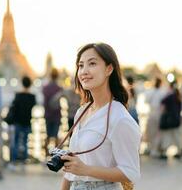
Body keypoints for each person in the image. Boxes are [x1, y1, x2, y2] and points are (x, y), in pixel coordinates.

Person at [60, 43, 141, 190]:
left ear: (109, 69)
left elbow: (131, 172)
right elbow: (72, 170)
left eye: (92, 63)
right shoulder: (82, 111)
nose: (84, 71)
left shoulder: (119, 118)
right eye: (81, 65)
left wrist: (86, 170)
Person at [8, 76, 36, 168]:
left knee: (15, 141)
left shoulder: (18, 96)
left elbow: (14, 108)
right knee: (25, 142)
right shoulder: (32, 97)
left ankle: (13, 161)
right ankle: (24, 161)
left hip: (18, 122)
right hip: (27, 122)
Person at [157, 81, 182, 159]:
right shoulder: (179, 96)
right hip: (177, 120)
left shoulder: (170, 96)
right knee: (177, 136)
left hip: (169, 120)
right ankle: (179, 151)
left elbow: (162, 102)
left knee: (167, 136)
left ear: (170, 87)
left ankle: (164, 152)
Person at [144, 78, 166, 156]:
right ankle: (155, 149)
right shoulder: (162, 92)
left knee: (151, 132)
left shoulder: (150, 91)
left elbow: (146, 101)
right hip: (158, 114)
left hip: (151, 114)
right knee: (157, 133)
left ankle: (151, 148)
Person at [43, 68, 63, 157]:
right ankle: (56, 155)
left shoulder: (45, 88)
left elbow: (44, 101)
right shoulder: (59, 88)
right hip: (56, 114)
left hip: (47, 114)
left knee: (47, 135)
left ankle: (46, 154)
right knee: (56, 135)